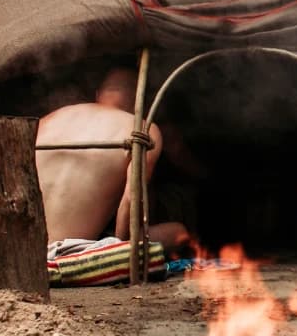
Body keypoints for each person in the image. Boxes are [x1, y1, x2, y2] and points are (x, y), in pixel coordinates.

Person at [32, 66, 192, 253]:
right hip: (69, 251)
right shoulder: (141, 129)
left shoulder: (49, 119)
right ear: (138, 101)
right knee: (179, 233)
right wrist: (119, 242)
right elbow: (132, 199)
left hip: (26, 244)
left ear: (98, 94)